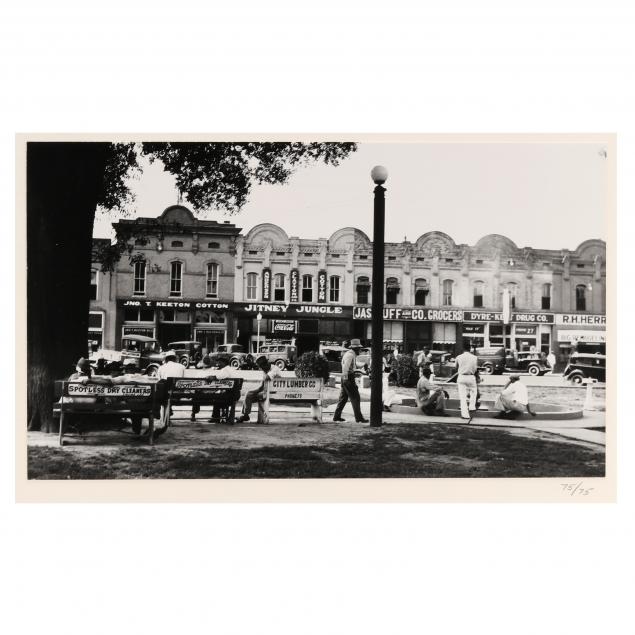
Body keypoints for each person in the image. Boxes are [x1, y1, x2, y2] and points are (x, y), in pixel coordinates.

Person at [236, 355, 281, 423]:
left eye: (262, 367)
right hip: (267, 392)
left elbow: (266, 378)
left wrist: (265, 372)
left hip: (274, 394)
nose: (262, 369)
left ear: (266, 364)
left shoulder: (274, 369)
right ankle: (245, 415)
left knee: (252, 396)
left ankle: (245, 415)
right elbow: (262, 385)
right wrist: (253, 391)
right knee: (248, 394)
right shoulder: (266, 370)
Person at [332, 339, 368, 423]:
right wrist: (346, 379)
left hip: (346, 378)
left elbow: (354, 366)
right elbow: (345, 368)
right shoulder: (350, 355)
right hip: (348, 378)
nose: (360, 350)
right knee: (356, 398)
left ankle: (336, 416)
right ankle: (359, 418)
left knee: (343, 398)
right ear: (355, 348)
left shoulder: (351, 354)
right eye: (359, 348)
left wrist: (363, 366)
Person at [454, 346, 478, 420]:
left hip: (461, 377)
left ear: (462, 349)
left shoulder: (458, 357)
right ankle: (472, 406)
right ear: (470, 349)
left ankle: (465, 415)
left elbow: (455, 367)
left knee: (463, 397)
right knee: (474, 391)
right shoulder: (475, 357)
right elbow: (475, 369)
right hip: (471, 376)